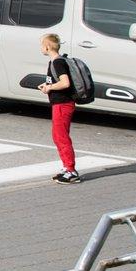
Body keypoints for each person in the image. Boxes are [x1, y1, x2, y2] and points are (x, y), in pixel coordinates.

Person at [38, 33, 81, 184]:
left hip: (63, 105)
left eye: (41, 45)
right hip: (59, 104)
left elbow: (65, 83)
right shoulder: (55, 62)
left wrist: (49, 88)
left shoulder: (57, 63)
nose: (40, 48)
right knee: (57, 136)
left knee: (61, 137)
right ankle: (66, 167)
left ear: (47, 46)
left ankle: (71, 170)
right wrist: (47, 86)